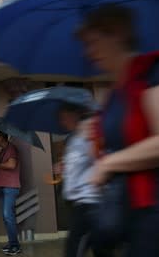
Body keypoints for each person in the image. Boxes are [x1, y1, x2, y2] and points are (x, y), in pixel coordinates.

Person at [76, 4, 159, 256]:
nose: (89, 52)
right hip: (138, 211)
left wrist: (109, 163)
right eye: (86, 45)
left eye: (94, 42)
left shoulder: (158, 70)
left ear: (118, 34)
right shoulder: (115, 92)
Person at [56, 103, 113, 257]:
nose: (62, 121)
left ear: (74, 114)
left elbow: (102, 157)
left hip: (90, 203)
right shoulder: (73, 139)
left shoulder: (89, 131)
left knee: (74, 249)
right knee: (99, 249)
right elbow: (77, 165)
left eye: (64, 116)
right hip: (79, 203)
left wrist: (94, 147)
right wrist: (64, 168)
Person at [0, 131, 21, 256]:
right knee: (6, 217)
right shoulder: (2, 151)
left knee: (8, 215)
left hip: (10, 187)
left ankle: (15, 245)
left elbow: (12, 164)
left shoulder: (11, 148)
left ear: (2, 138)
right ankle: (11, 243)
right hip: (2, 187)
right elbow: (0, 167)